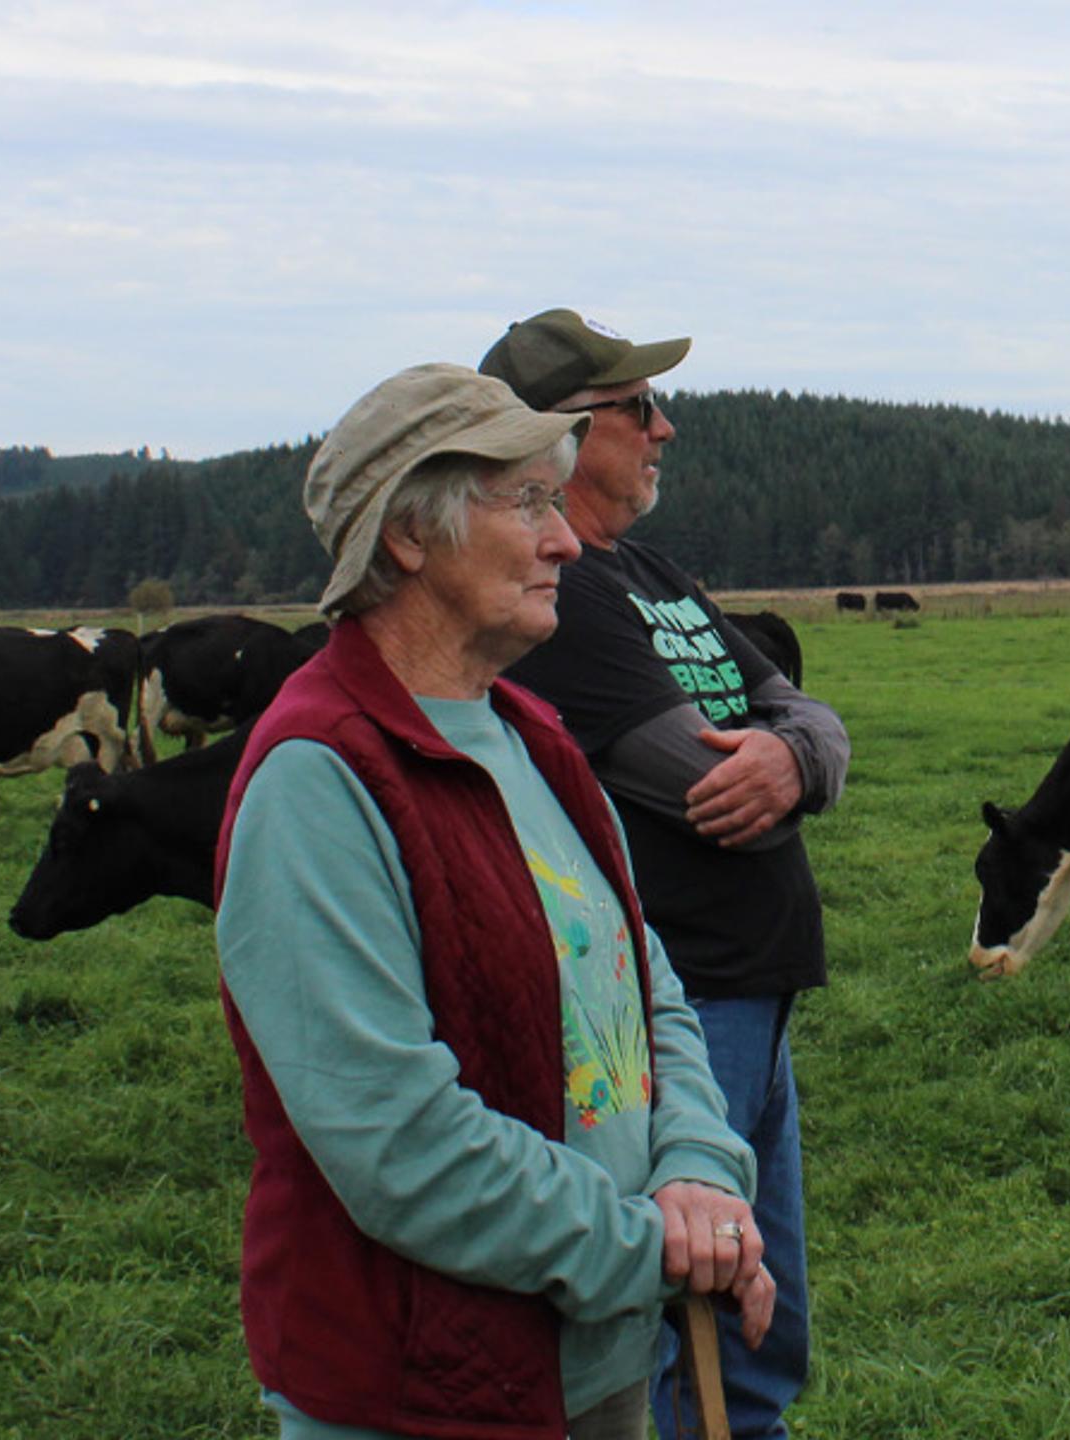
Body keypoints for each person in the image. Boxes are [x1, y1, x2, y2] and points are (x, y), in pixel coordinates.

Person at [215, 363, 777, 1440]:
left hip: (602, 1357)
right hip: (427, 1390)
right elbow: (397, 1138)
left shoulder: (532, 735)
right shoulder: (319, 779)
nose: (564, 539)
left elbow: (647, 990)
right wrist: (650, 1245)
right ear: (406, 537)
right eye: (526, 504)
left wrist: (700, 1176)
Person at [482, 309, 846, 1440]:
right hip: (677, 1004)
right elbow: (703, 780)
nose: (665, 429)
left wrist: (801, 751)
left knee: (756, 1326)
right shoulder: (572, 597)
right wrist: (791, 753)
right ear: (566, 433)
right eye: (641, 408)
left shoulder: (646, 570)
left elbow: (796, 707)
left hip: (755, 990)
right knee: (686, 1313)